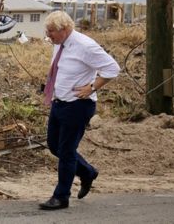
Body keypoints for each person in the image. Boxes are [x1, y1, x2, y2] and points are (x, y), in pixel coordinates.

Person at [39, 11, 120, 210]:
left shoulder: (85, 46)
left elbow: (112, 68)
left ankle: (61, 196)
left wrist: (92, 87)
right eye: (47, 31)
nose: (48, 35)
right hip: (60, 102)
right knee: (54, 146)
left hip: (77, 105)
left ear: (64, 29)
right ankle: (87, 172)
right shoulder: (59, 44)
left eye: (51, 32)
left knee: (66, 151)